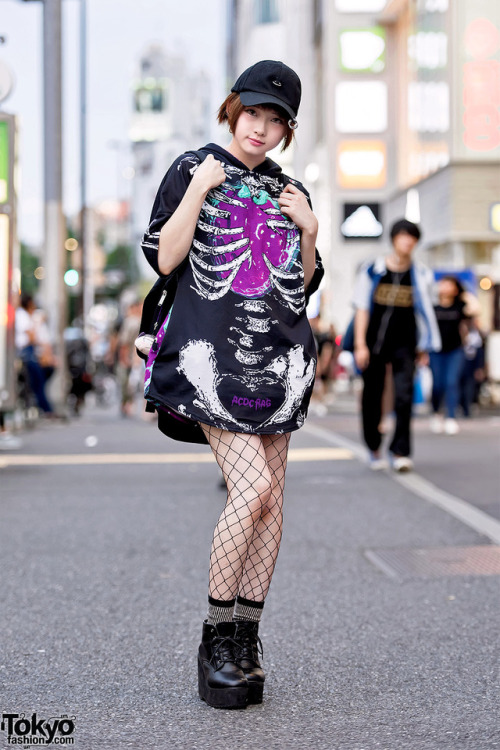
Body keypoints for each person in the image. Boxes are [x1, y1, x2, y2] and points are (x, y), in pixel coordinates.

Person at [140, 60, 323, 709]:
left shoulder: (289, 188)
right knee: (251, 489)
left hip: (280, 362)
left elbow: (297, 290)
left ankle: (246, 640)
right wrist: (199, 190)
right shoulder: (194, 165)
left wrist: (308, 230)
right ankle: (215, 640)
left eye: (276, 120)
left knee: (271, 501)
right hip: (210, 355)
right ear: (232, 108)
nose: (262, 127)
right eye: (254, 112)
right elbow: (165, 259)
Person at [352, 219, 440, 472]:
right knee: (372, 396)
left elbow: (426, 313)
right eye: (403, 236)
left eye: (412, 237)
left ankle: (400, 451)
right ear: (393, 239)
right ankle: (374, 447)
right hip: (374, 343)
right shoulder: (373, 269)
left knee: (404, 396)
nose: (408, 241)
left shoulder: (421, 274)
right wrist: (360, 344)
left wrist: (424, 346)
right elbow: (361, 308)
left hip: (406, 344)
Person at [429, 276, 479, 434]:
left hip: (455, 350)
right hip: (435, 350)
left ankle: (451, 417)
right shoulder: (432, 305)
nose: (445, 287)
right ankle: (437, 413)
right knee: (437, 384)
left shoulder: (460, 306)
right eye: (443, 284)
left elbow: (476, 310)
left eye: (450, 285)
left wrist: (465, 294)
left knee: (452, 381)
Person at [15, 293, 54, 416]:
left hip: (29, 351)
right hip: (25, 352)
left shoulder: (26, 315)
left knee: (44, 374)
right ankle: (45, 408)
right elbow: (31, 337)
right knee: (38, 379)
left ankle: (39, 402)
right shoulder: (21, 315)